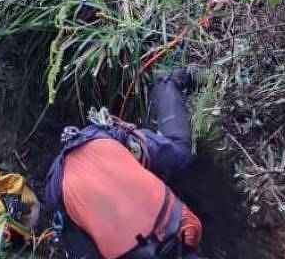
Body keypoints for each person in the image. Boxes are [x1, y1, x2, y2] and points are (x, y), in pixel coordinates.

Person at [44, 69, 204, 259]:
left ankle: (166, 82)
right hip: (98, 140)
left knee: (177, 154)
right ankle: (165, 82)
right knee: (174, 155)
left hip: (94, 148)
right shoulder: (190, 227)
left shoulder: (189, 228)